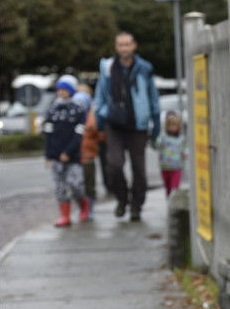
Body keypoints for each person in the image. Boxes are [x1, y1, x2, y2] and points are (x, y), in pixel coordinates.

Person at [94, 31, 161, 221]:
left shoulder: (144, 69)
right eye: (120, 45)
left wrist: (155, 124)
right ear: (116, 47)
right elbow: (99, 96)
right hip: (114, 124)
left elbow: (153, 98)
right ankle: (122, 198)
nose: (124, 48)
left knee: (139, 169)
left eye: (127, 45)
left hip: (137, 125)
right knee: (114, 164)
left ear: (134, 46)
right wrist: (101, 119)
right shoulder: (107, 68)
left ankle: (136, 206)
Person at [44, 75, 90, 227]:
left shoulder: (77, 110)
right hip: (56, 156)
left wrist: (68, 152)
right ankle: (65, 216)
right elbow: (48, 134)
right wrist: (48, 155)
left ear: (71, 91)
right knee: (59, 187)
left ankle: (83, 203)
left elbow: (78, 135)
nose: (62, 93)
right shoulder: (52, 110)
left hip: (72, 156)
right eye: (60, 90)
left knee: (75, 184)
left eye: (65, 90)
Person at [74, 86, 100, 220]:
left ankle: (89, 208)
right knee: (77, 185)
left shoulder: (92, 120)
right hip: (75, 159)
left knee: (90, 185)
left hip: (89, 158)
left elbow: (99, 136)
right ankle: (81, 207)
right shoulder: (71, 121)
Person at [154, 111, 188, 197]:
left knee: (174, 188)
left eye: (174, 125)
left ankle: (174, 204)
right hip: (165, 167)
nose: (172, 127)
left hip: (176, 167)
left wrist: (185, 154)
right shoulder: (163, 137)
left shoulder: (181, 139)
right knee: (168, 188)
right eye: (170, 125)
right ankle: (170, 203)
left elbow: (185, 149)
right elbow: (157, 145)